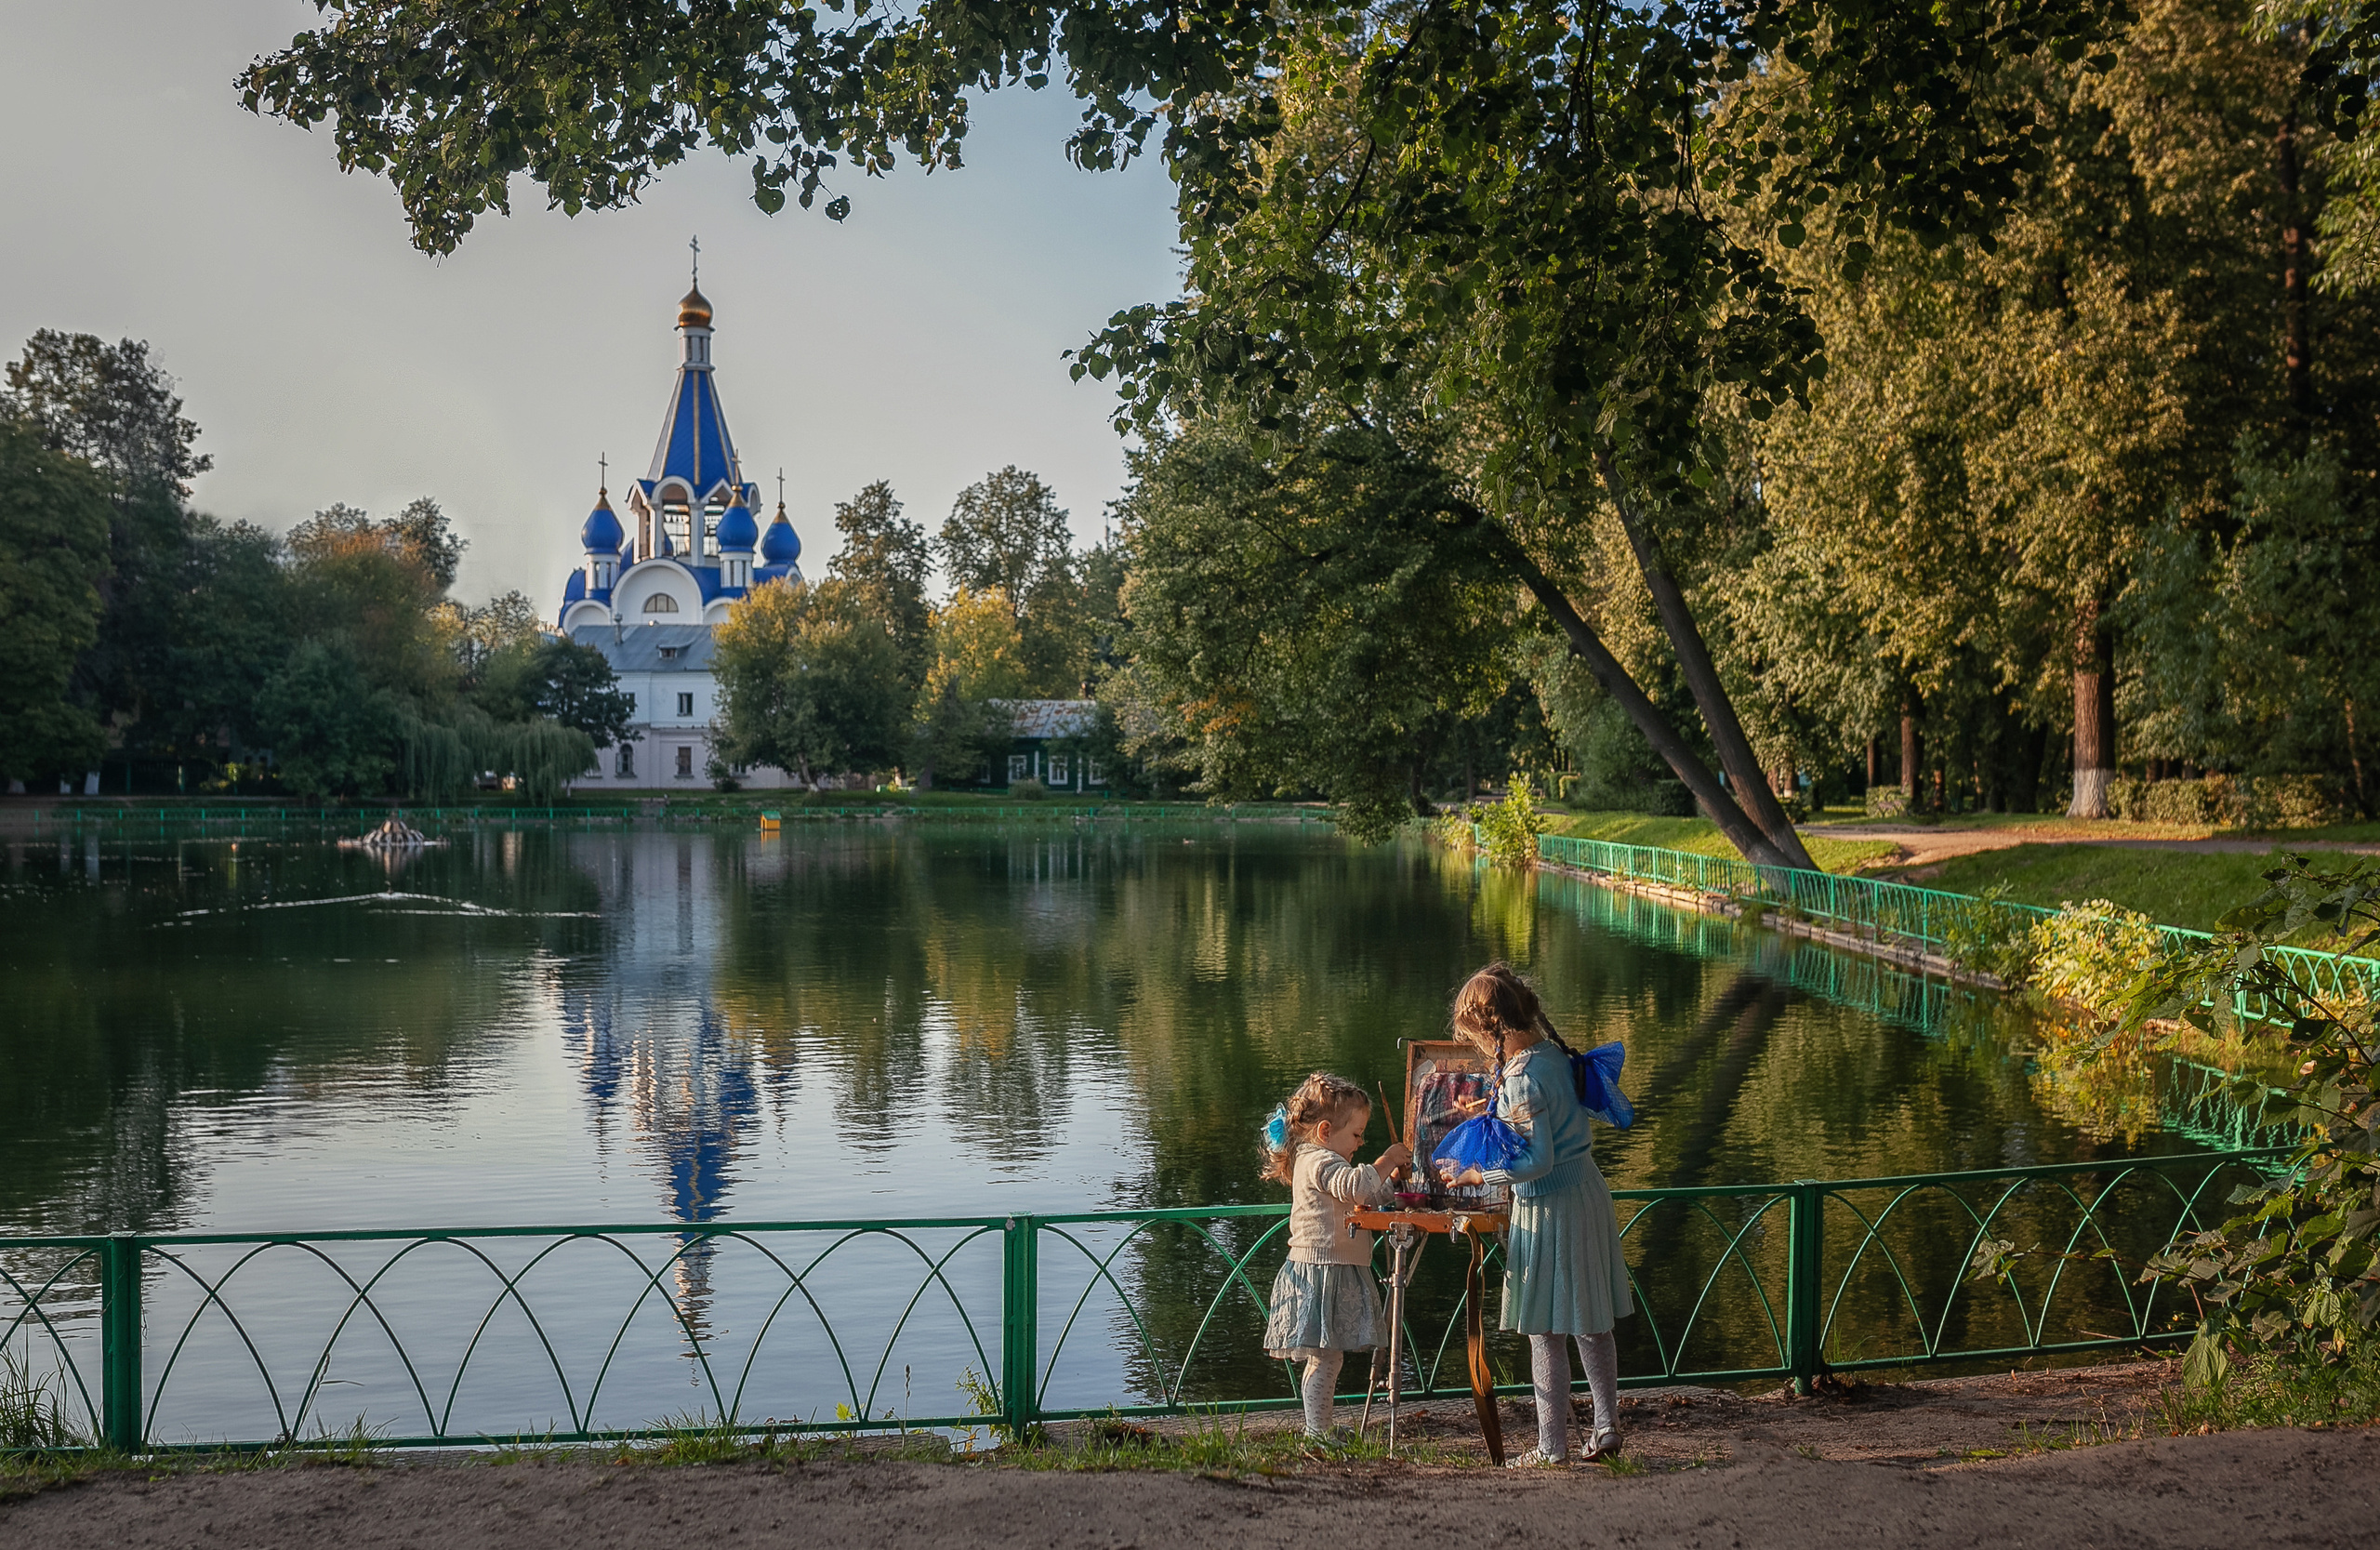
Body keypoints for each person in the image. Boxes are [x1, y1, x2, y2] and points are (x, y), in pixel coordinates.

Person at [1443, 962, 1633, 1465]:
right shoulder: (1550, 1056)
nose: (1480, 1050)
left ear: (1492, 1029)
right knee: (1592, 1322)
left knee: (1545, 1331)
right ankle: (1607, 1428)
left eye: (1475, 1039)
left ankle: (1552, 1447)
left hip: (1550, 1207)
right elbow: (1546, 1115)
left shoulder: (1522, 1078)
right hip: (1585, 1193)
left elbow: (1538, 1160)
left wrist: (1477, 1177)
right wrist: (1491, 1105)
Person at [1258, 1072, 1413, 1440]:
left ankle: (1319, 1427)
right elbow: (1358, 1185)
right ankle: (1317, 1431)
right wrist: (1388, 1158)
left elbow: (1365, 1195)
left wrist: (1392, 1183)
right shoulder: (1320, 1162)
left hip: (1331, 1267)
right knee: (1326, 1357)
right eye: (1356, 1135)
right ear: (1326, 1131)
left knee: (1327, 1357)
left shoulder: (1323, 1160)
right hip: (1321, 1269)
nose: (1360, 1143)